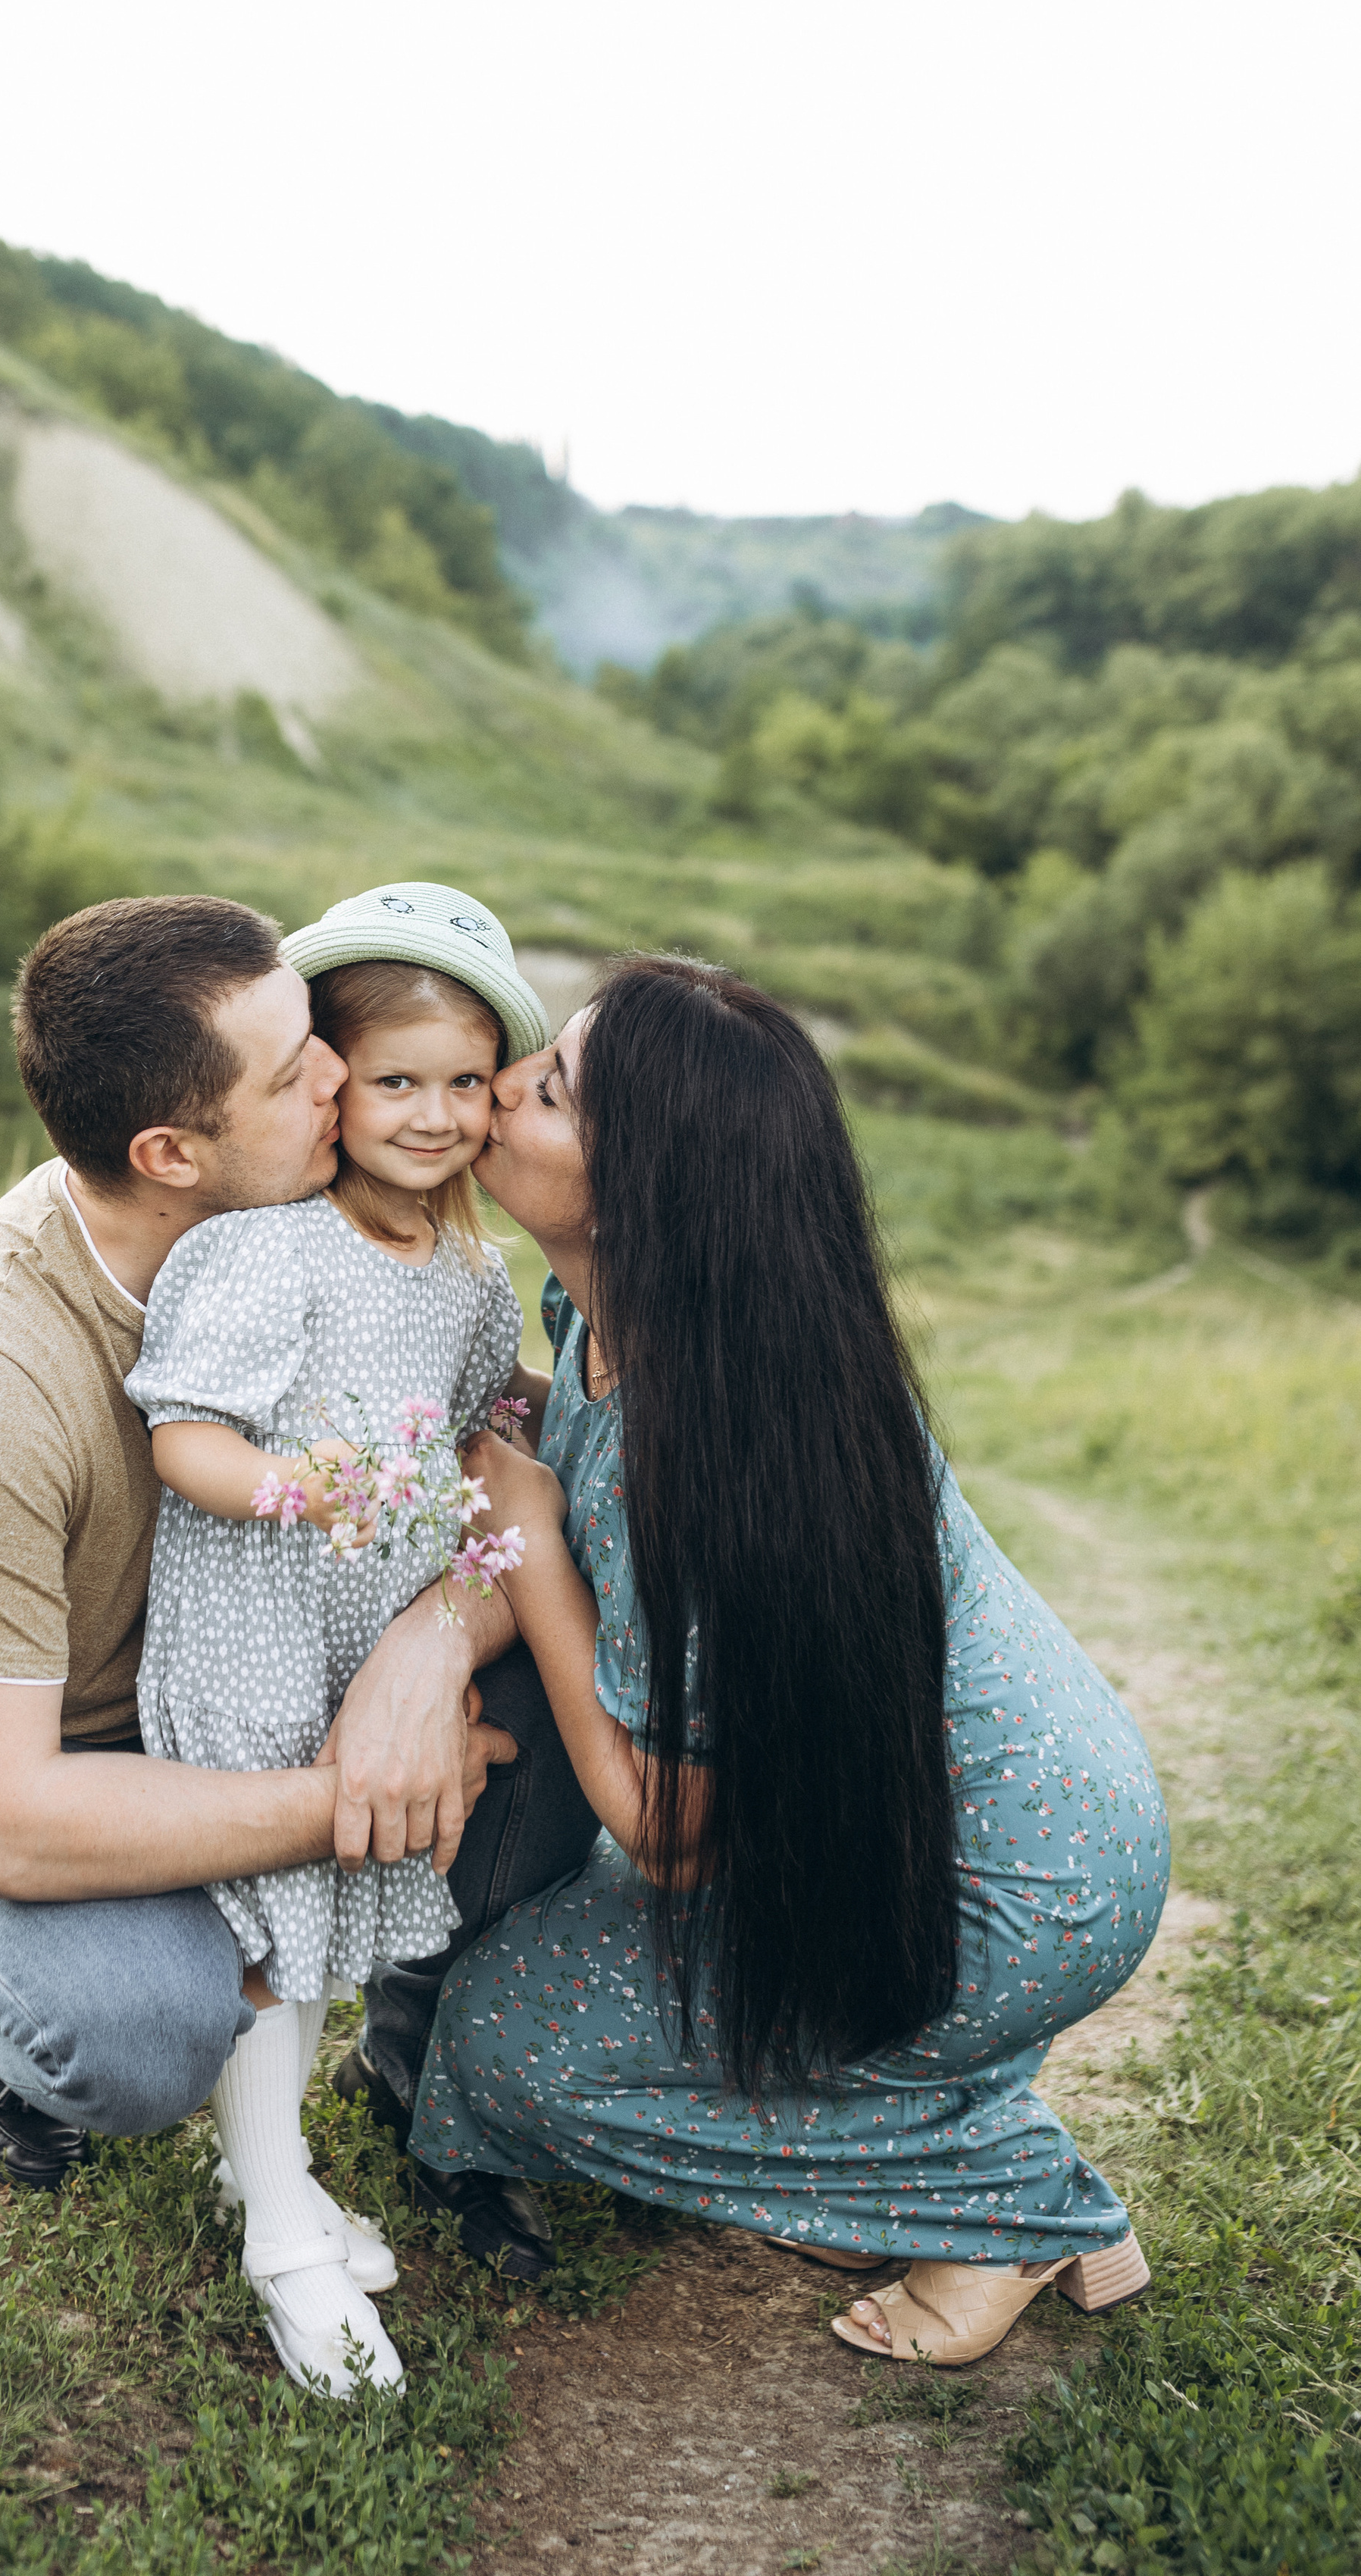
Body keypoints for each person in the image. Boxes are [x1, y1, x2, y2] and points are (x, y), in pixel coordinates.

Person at [0, 891, 593, 2286]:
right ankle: (3, 2019)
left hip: (220, 1688)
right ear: (171, 1150)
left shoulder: (313, 1246)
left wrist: (427, 1651)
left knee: (551, 1733)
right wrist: (370, 1795)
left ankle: (412, 2066)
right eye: (298, 1072)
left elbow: (479, 1447)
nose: (342, 1072)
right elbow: (7, 1818)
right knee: (143, 2027)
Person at [417, 956, 1170, 2369]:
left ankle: (1014, 2205)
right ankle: (923, 2128)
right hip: (919, 1834)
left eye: (552, 1089)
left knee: (505, 2052)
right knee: (531, 1992)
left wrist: (533, 1552)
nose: (500, 1087)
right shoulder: (634, 1325)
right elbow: (547, 1441)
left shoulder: (716, 1450)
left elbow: (672, 1831)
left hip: (1004, 1886)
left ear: (648, 1188)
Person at [122, 884, 549, 2394]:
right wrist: (299, 1486)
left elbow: (481, 1438)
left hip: (358, 1638)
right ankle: (278, 2237)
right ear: (332, 1084)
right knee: (269, 1939)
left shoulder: (473, 1278)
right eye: (392, 1082)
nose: (430, 1117)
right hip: (256, 1622)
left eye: (460, 1084)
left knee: (320, 1932)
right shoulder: (268, 1252)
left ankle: (267, 2165)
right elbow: (186, 1441)